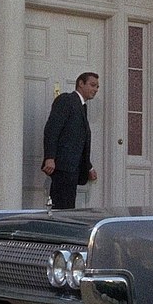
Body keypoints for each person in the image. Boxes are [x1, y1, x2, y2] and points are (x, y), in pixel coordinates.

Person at [41, 72, 99, 209]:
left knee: (68, 207)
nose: (96, 89)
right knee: (61, 208)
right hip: (63, 166)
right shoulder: (66, 100)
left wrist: (88, 166)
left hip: (73, 168)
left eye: (97, 87)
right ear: (81, 83)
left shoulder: (81, 106)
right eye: (92, 85)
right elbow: (52, 129)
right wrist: (50, 157)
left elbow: (78, 142)